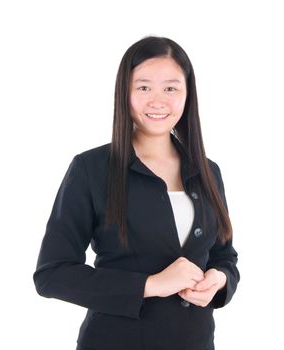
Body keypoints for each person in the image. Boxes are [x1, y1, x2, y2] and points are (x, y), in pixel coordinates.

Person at [33, 35, 240, 350]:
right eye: (144, 87)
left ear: (187, 95)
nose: (158, 101)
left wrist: (220, 279)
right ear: (125, 93)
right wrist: (151, 285)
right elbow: (52, 274)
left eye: (170, 88)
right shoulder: (91, 168)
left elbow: (224, 256)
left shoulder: (208, 172)